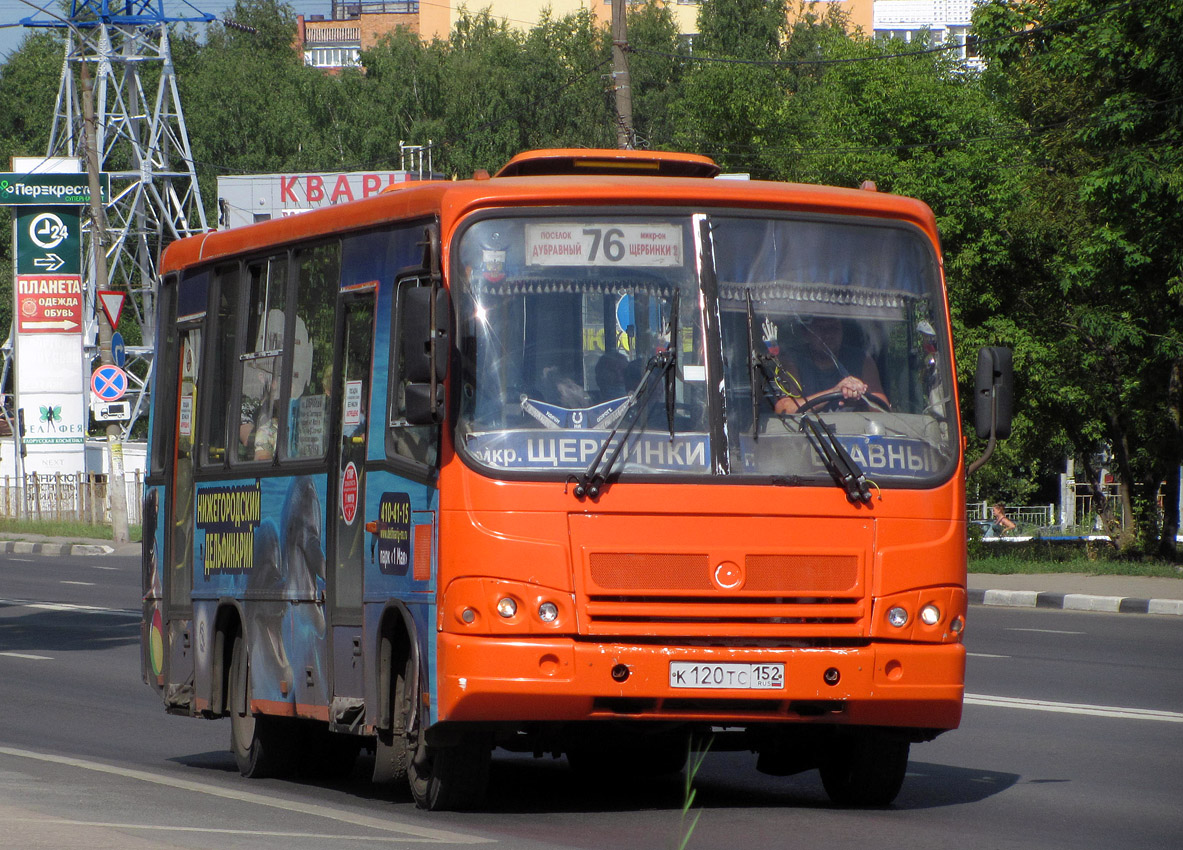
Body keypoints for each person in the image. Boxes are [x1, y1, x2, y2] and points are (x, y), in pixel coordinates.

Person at [772, 316, 888, 414]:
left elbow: (883, 410)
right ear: (806, 333)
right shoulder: (791, 360)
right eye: (820, 329)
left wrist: (859, 396)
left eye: (833, 329)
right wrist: (835, 391)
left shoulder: (862, 360)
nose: (828, 335)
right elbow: (784, 408)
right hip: (807, 436)